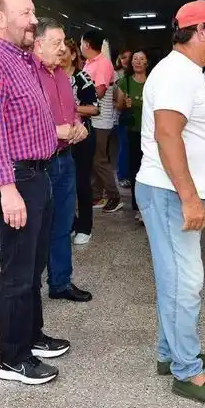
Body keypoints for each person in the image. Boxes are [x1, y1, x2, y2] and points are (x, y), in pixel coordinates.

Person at [136, 0, 205, 405]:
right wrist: (190, 197)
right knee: (185, 282)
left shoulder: (187, 72)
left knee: (174, 279)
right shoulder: (177, 73)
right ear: (200, 32)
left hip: (175, 192)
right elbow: (167, 135)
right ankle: (186, 371)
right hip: (170, 193)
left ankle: (172, 352)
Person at [0, 0, 72, 385]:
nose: (33, 20)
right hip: (16, 179)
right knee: (16, 271)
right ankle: (12, 357)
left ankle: (32, 335)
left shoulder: (23, 60)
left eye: (33, 11)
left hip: (37, 174)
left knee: (33, 266)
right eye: (25, 12)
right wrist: (7, 188)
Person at [32, 18, 92, 302]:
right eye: (55, 43)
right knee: (37, 229)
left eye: (64, 43)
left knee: (63, 223)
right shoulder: (29, 76)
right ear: (37, 44)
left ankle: (60, 282)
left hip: (65, 157)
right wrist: (54, 131)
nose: (62, 49)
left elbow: (72, 112)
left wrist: (78, 125)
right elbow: (19, 122)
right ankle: (31, 286)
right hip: (39, 163)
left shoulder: (62, 77)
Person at [62, 38, 98, 246]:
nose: (61, 54)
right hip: (61, 138)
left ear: (74, 55)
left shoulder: (82, 78)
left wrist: (69, 108)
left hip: (83, 137)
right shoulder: (54, 77)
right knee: (64, 184)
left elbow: (94, 108)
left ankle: (85, 226)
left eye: (64, 51)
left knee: (82, 182)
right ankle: (71, 223)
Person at [82, 30, 122, 213]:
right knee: (93, 159)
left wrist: (78, 95)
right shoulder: (89, 63)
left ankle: (114, 196)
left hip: (101, 119)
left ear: (87, 44)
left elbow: (99, 91)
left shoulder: (103, 64)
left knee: (100, 159)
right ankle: (97, 194)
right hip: (90, 117)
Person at [115, 49, 149, 220]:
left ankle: (150, 204)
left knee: (149, 168)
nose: (137, 61)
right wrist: (124, 105)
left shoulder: (153, 82)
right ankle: (138, 206)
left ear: (147, 63)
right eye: (135, 59)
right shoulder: (124, 82)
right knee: (135, 168)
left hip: (150, 132)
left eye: (141, 59)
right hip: (132, 131)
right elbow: (118, 107)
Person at [115, 49, 132, 188]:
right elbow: (117, 103)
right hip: (123, 118)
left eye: (129, 57)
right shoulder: (119, 77)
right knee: (124, 147)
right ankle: (123, 175)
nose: (126, 60)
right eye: (123, 57)